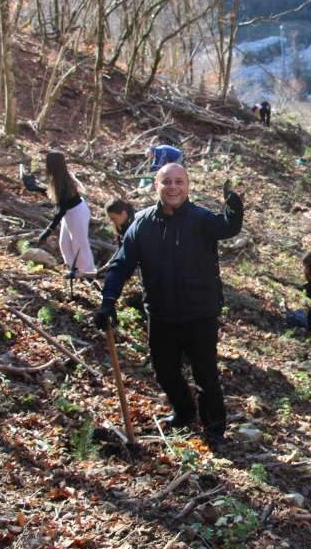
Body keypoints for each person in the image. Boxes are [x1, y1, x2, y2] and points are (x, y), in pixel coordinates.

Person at [95, 163, 243, 450]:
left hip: (200, 313)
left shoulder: (201, 219)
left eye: (179, 182)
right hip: (161, 314)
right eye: (167, 182)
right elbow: (121, 264)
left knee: (205, 374)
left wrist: (234, 204)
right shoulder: (141, 224)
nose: (173, 187)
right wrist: (108, 301)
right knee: (164, 371)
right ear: (156, 185)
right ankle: (184, 412)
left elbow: (229, 227)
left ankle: (214, 429)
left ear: (187, 186)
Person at [37, 151, 96, 277]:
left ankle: (88, 273)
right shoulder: (57, 178)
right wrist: (35, 187)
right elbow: (57, 198)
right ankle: (74, 269)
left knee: (79, 244)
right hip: (70, 213)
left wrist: (48, 230)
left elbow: (61, 208)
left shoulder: (62, 179)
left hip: (77, 212)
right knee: (65, 243)